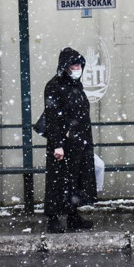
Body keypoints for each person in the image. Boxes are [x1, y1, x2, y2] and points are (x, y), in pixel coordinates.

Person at [43, 47, 98, 233]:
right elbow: (52, 118)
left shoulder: (76, 85)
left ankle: (72, 215)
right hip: (64, 143)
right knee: (57, 181)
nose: (77, 68)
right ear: (65, 66)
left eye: (79, 64)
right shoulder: (54, 86)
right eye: (73, 64)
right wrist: (57, 144)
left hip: (79, 142)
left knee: (76, 180)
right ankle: (53, 218)